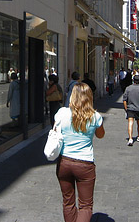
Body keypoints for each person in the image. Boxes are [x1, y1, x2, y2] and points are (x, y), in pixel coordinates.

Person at [54, 83, 105, 222]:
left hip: (64, 162)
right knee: (85, 206)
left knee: (68, 202)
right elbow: (101, 135)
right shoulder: (95, 116)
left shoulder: (62, 113)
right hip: (85, 163)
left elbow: (55, 130)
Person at [123, 75, 139, 146]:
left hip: (130, 108)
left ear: (133, 80)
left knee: (130, 123)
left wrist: (126, 108)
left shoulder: (128, 88)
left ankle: (130, 138)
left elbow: (124, 100)